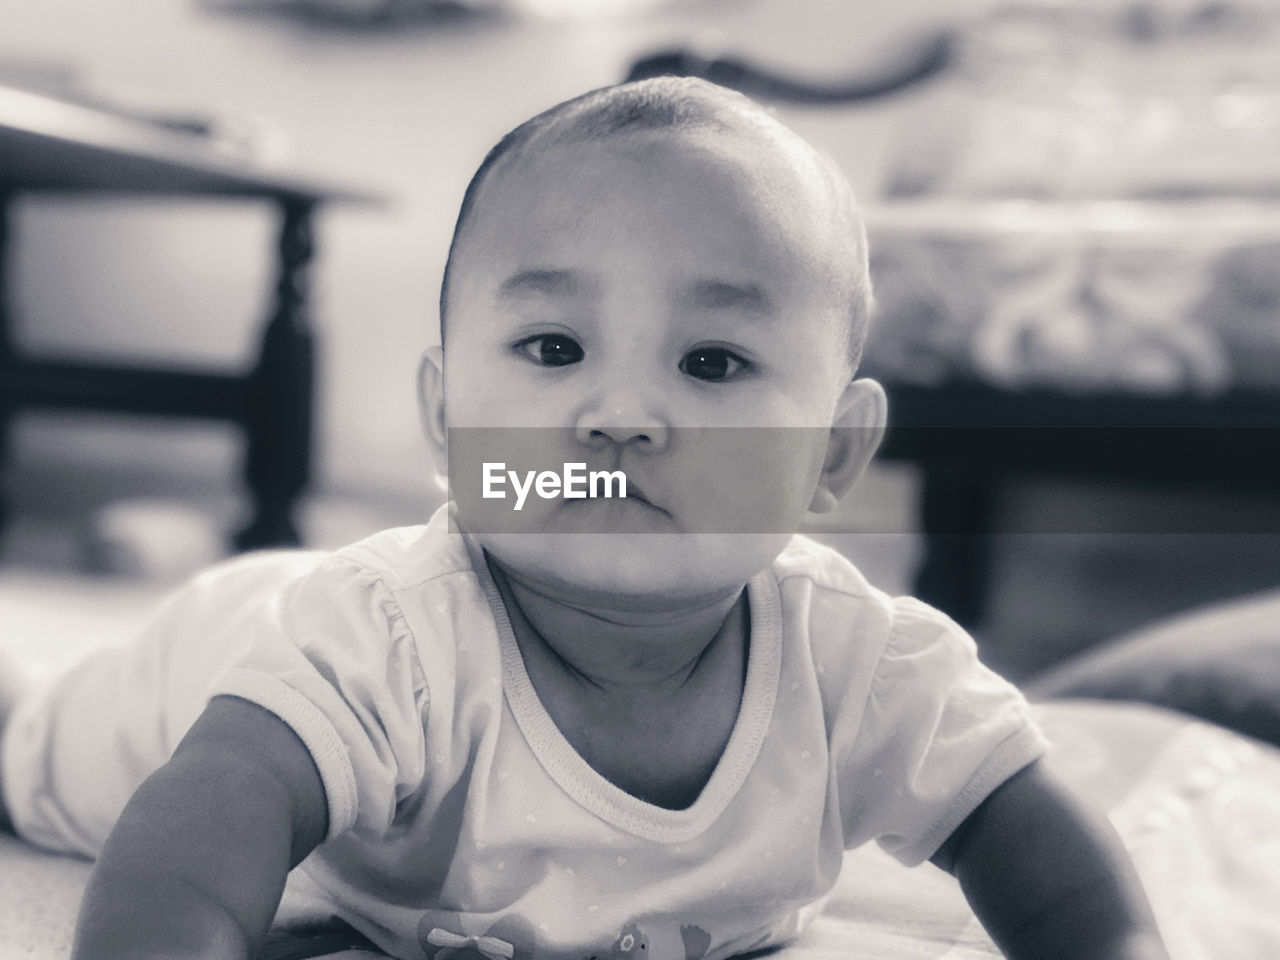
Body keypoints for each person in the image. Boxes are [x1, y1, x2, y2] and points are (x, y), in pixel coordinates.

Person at [0, 77, 1167, 960]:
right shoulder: (385, 641)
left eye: (711, 361)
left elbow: (1025, 831)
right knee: (36, 741)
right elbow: (204, 828)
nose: (621, 417)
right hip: (222, 660)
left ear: (830, 455)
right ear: (450, 412)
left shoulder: (863, 664)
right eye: (552, 349)